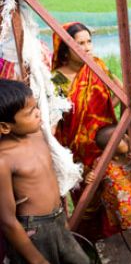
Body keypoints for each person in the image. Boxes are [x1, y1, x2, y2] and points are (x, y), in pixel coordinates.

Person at [0, 79, 89, 264]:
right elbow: (7, 221)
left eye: (36, 107)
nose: (38, 113)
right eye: (30, 112)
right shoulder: (4, 160)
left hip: (58, 219)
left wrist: (61, 219)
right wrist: (37, 260)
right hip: (33, 232)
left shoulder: (38, 134)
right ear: (5, 127)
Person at [51, 22, 118, 240]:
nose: (87, 47)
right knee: (86, 202)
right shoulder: (57, 77)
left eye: (89, 41)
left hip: (103, 145)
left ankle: (116, 240)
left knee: (112, 194)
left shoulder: (97, 66)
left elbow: (121, 91)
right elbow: (56, 116)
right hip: (76, 151)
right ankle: (91, 243)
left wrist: (102, 114)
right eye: (80, 43)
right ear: (65, 49)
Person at [85, 125, 131, 236]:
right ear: (110, 149)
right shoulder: (102, 164)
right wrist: (89, 177)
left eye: (125, 134)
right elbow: (94, 181)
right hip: (114, 211)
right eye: (121, 138)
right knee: (116, 237)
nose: (127, 138)